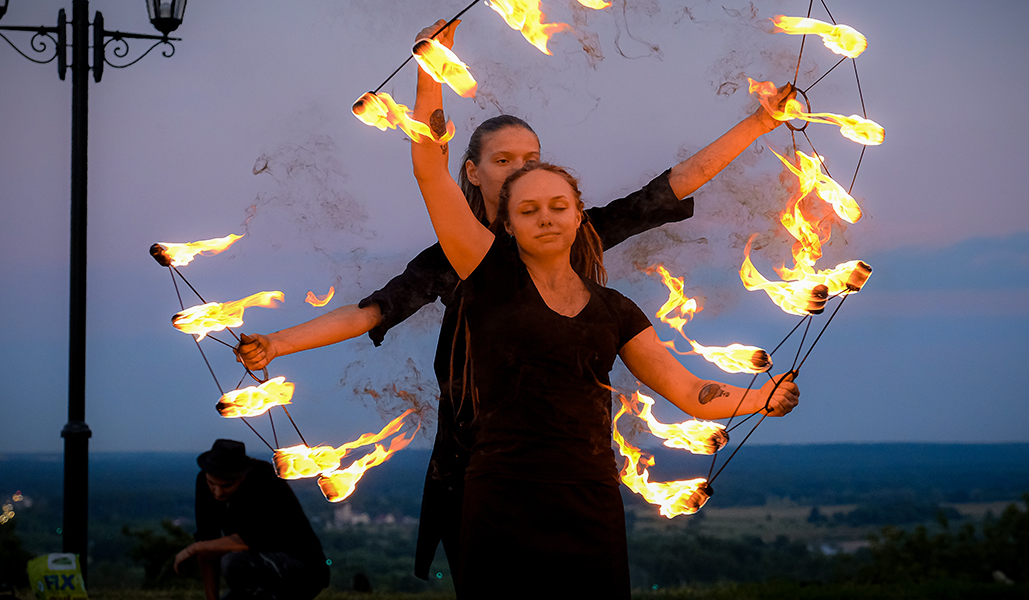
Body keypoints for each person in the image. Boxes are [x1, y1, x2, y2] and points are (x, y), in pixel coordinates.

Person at [234, 19, 796, 585]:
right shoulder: (469, 263)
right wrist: (277, 343)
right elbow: (374, 302)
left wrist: (761, 121)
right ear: (474, 174)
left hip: (581, 480)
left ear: (573, 210)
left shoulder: (601, 279)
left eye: (533, 163)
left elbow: (672, 189)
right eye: (505, 163)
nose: (523, 177)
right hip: (480, 466)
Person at [410, 102, 799, 596]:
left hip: (590, 498)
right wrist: (431, 72)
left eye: (558, 207)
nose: (545, 218)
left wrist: (761, 398)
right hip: (501, 498)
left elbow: (688, 390)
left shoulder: (614, 310)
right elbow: (430, 170)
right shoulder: (489, 281)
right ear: (507, 224)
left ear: (579, 217)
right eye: (528, 210)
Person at [174, 439, 329, 600]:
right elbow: (207, 544)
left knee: (233, 562)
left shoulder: (264, 478)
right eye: (212, 484)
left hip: (302, 568)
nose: (218, 492)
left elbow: (253, 538)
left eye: (226, 486)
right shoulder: (203, 482)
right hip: (258, 570)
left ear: (241, 477)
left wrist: (194, 548)